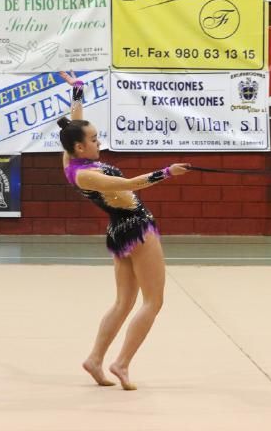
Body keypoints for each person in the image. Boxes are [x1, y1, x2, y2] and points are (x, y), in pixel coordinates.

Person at [56, 71, 190, 390]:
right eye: (93, 139)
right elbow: (131, 184)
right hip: (137, 228)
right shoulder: (85, 176)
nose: (98, 141)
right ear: (79, 148)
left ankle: (95, 359)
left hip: (119, 230)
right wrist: (167, 172)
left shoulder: (69, 158)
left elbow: (76, 122)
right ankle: (122, 363)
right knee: (153, 301)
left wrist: (77, 90)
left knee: (124, 302)